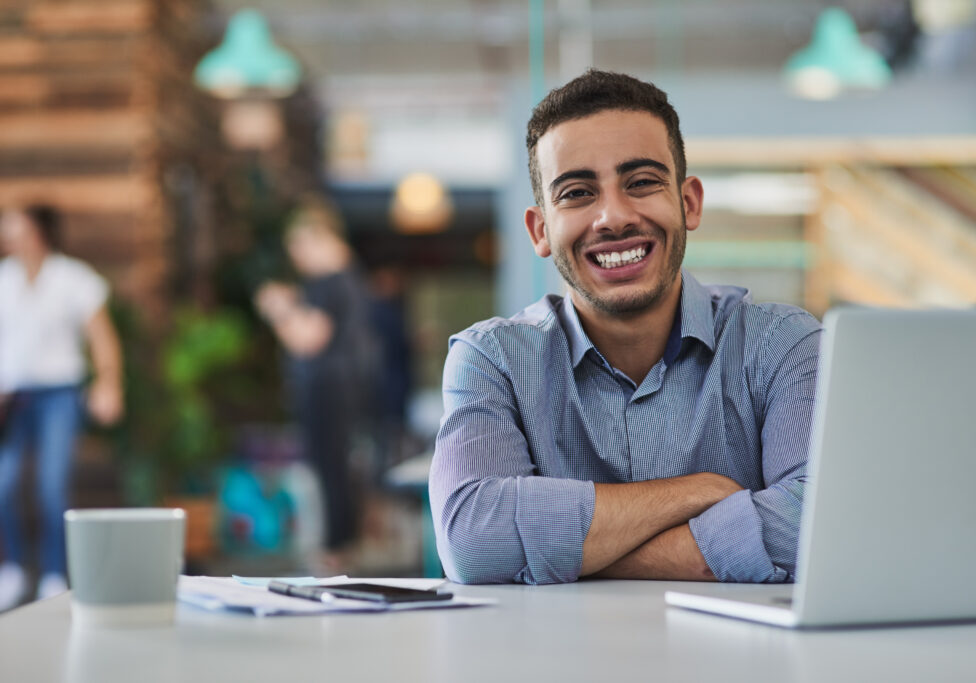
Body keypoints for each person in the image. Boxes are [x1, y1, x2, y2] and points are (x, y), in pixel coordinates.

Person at [429, 70, 822, 585]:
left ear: (689, 204)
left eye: (640, 183)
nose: (613, 217)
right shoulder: (492, 359)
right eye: (576, 193)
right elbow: (473, 538)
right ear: (540, 229)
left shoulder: (782, 345)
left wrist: (580, 555)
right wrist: (697, 491)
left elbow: (818, 525)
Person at [0, 204, 123, 609]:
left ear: (38, 232)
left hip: (59, 395)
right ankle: (14, 567)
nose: (6, 234)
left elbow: (102, 336)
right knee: (4, 484)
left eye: (14, 227)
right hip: (13, 398)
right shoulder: (4, 279)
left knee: (51, 485)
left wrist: (108, 382)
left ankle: (54, 571)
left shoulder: (73, 278)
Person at [254, 199, 379, 569]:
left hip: (328, 385)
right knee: (336, 464)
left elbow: (308, 338)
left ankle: (335, 546)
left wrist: (279, 308)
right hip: (340, 384)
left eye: (298, 246)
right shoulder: (347, 278)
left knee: (330, 465)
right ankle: (341, 542)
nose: (296, 257)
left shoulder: (330, 280)